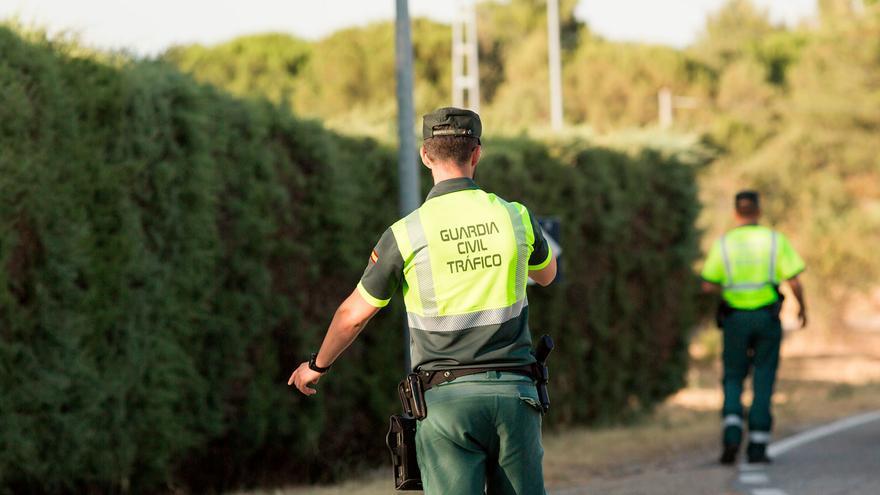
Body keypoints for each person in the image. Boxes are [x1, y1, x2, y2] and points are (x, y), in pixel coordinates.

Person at [288, 107, 557, 494]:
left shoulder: (406, 233)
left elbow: (352, 316)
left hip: (445, 404)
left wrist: (317, 366)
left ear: (425, 155)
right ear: (477, 153)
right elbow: (546, 275)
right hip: (515, 396)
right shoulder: (515, 217)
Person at [701, 190, 807, 465]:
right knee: (763, 378)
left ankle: (732, 433)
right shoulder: (774, 241)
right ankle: (758, 447)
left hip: (735, 319)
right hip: (766, 318)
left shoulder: (724, 244)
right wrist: (802, 309)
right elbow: (793, 280)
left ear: (736, 213)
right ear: (758, 211)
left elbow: (707, 283)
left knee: (734, 377)